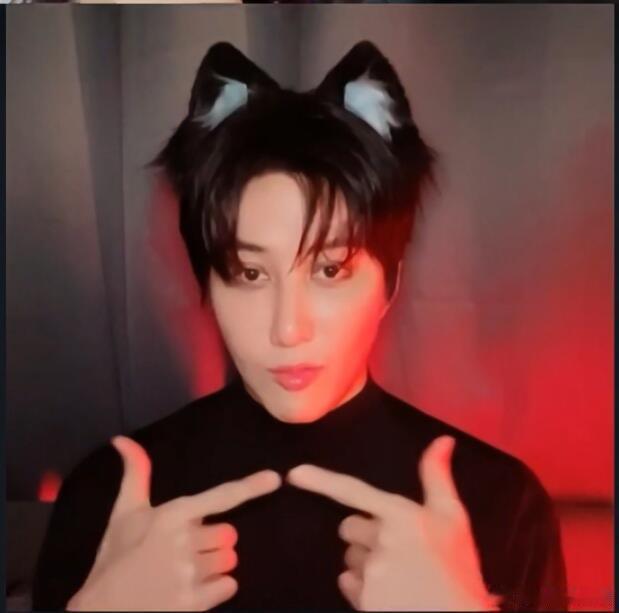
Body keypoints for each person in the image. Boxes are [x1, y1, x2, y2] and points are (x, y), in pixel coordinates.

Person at [31, 41, 568, 611]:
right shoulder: (111, 500)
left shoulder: (499, 503)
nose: (288, 330)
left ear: (390, 282)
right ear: (206, 282)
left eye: (330, 270)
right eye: (249, 273)